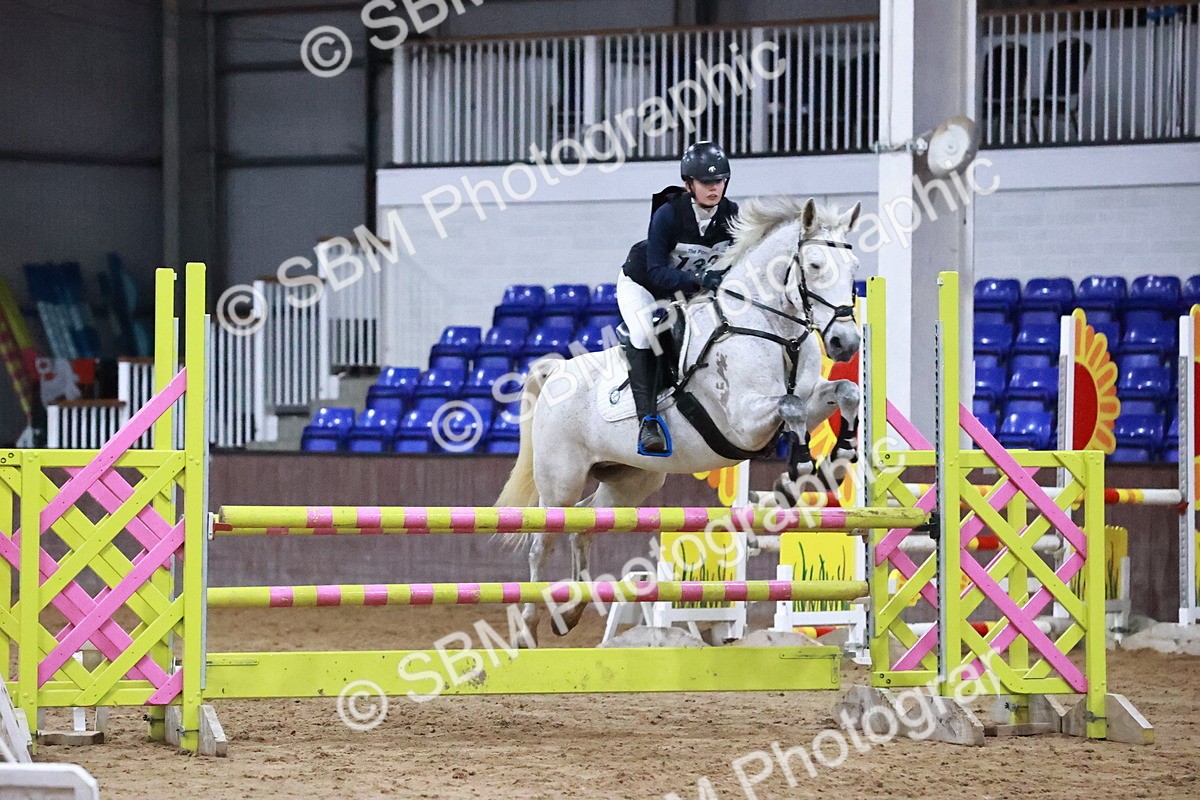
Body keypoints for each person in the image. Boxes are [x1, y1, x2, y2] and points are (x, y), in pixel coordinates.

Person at [616, 141, 740, 456]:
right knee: (644, 333)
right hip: (643, 285)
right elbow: (657, 271)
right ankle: (648, 422)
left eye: (719, 180)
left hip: (687, 292)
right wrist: (699, 280)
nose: (714, 188)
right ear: (689, 185)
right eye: (706, 182)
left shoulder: (732, 215)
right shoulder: (668, 215)